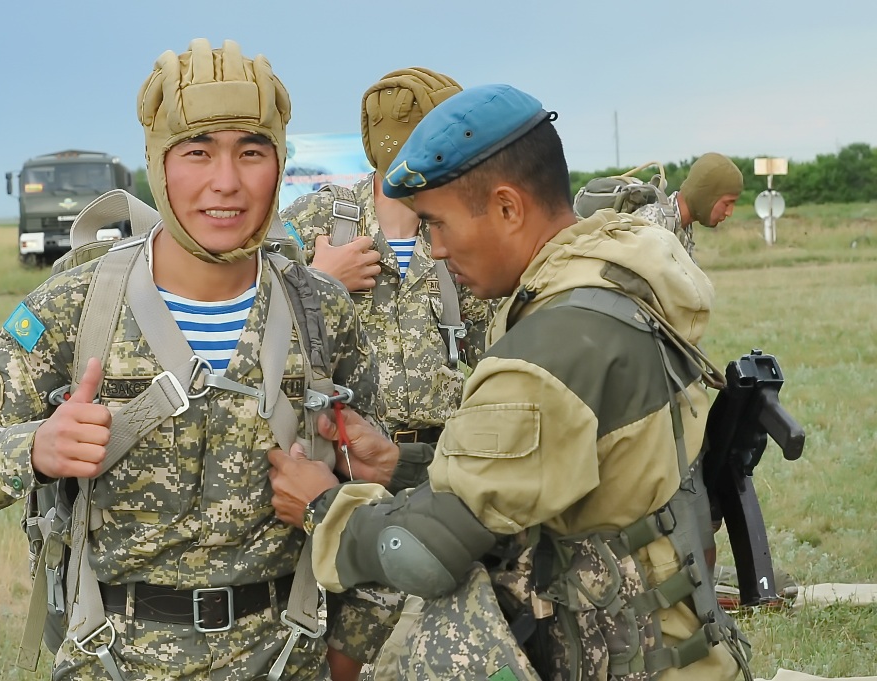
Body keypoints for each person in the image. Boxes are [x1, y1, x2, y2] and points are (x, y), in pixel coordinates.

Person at [0, 38, 398, 680]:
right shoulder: (77, 304)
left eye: (251, 152)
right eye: (197, 152)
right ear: (158, 162)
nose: (225, 182)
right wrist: (36, 448)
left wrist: (369, 478)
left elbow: (380, 497)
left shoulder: (323, 313)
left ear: (278, 166)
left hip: (287, 657)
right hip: (113, 659)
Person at [269, 84, 753, 680]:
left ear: (507, 207)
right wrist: (402, 465)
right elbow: (550, 471)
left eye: (438, 224)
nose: (437, 250)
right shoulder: (615, 284)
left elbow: (422, 555)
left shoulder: (548, 351)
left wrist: (322, 506)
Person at [280, 67, 491, 446]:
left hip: (439, 457)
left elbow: (499, 343)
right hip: (345, 457)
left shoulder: (459, 234)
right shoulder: (318, 221)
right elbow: (248, 325)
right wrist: (318, 283)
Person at [633, 152, 743, 257]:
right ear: (706, 196)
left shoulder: (681, 226)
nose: (729, 212)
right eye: (727, 203)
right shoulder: (652, 225)